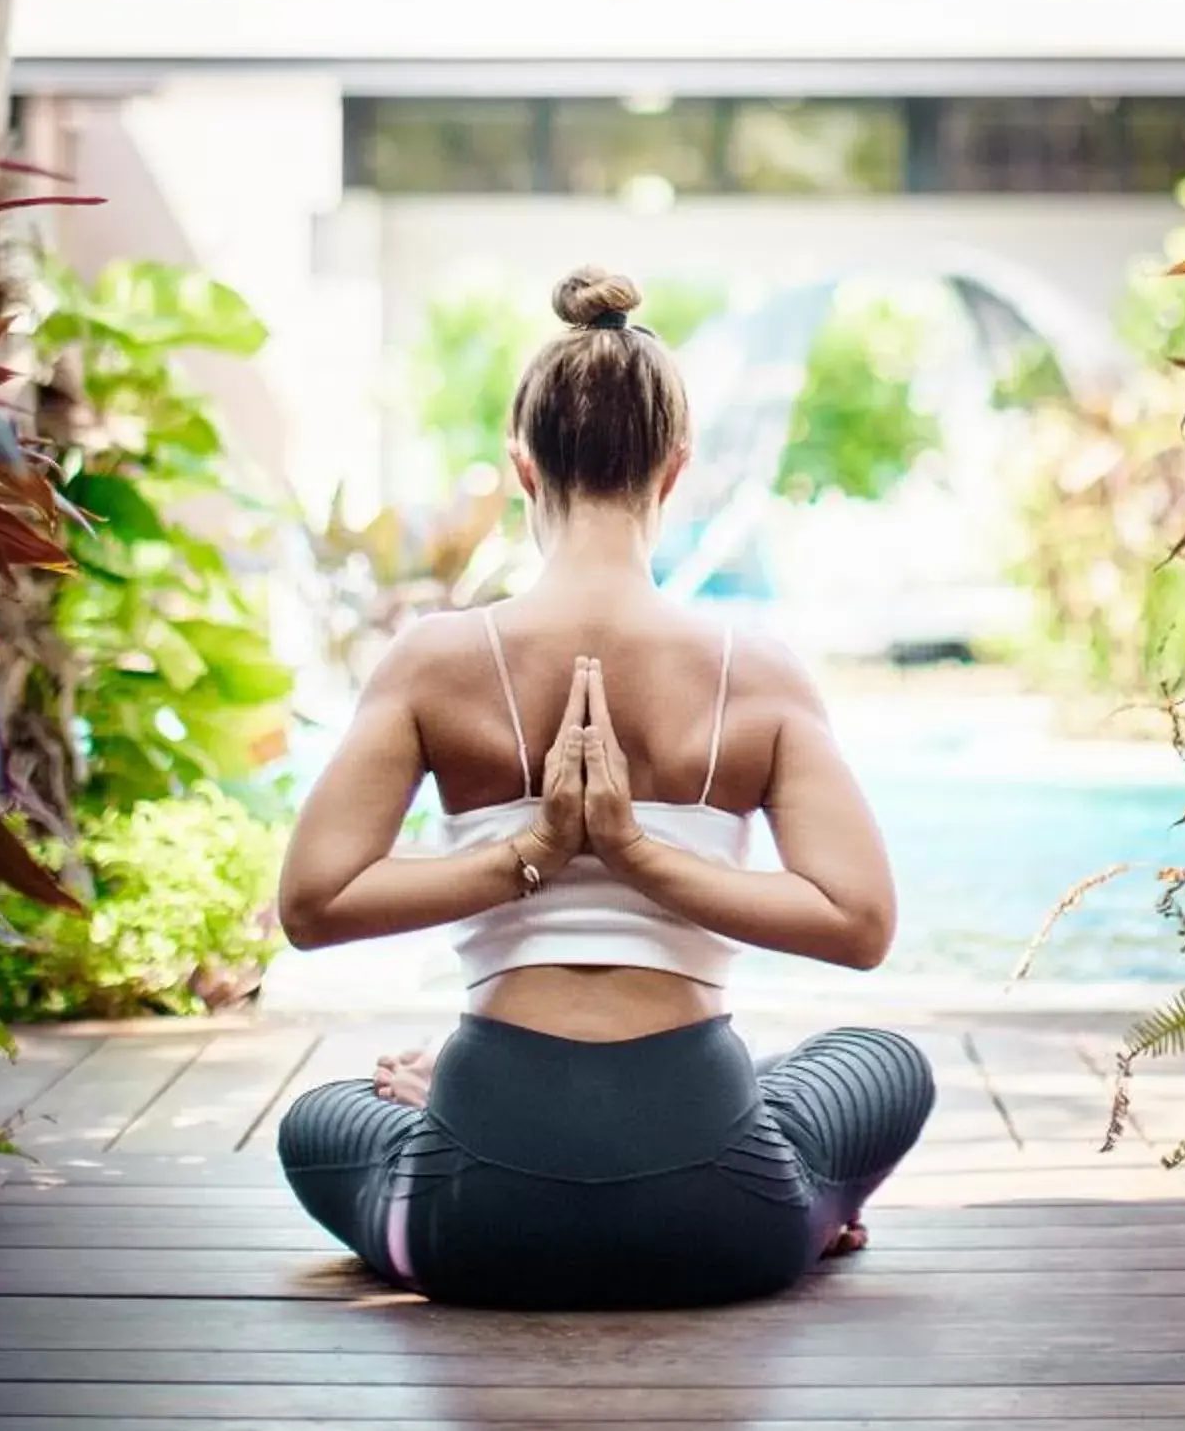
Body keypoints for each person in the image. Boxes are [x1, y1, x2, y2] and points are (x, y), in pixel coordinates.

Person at [274, 264, 934, 1307]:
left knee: (321, 1120)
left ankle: (444, 1110)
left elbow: (309, 907)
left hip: (472, 1221)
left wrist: (535, 853)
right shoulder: (757, 672)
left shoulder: (431, 662)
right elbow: (859, 925)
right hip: (727, 1224)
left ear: (522, 469)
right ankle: (802, 1201)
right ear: (674, 472)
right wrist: (639, 855)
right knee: (881, 1061)